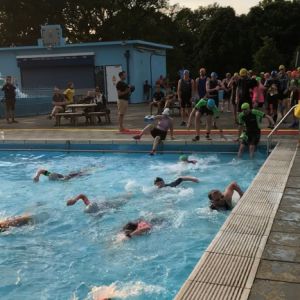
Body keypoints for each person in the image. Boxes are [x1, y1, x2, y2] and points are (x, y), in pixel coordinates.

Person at [66, 193, 131, 214]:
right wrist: (74, 200)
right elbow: (82, 196)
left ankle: (130, 194)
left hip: (111, 205)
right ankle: (129, 193)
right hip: (107, 203)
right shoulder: (90, 204)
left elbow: (82, 196)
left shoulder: (98, 213)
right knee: (124, 197)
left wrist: (74, 200)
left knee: (124, 200)